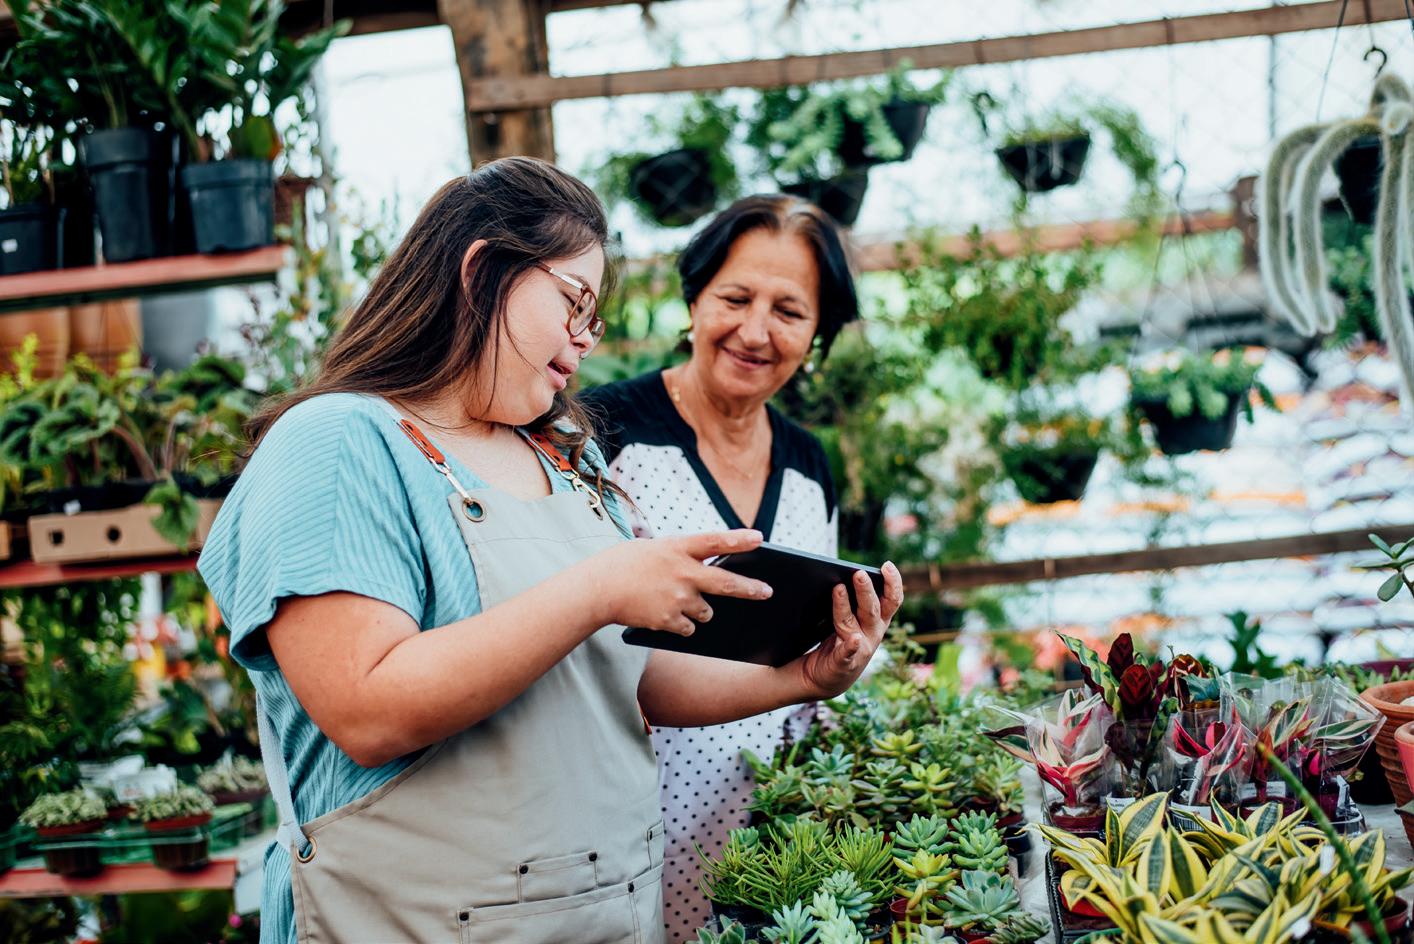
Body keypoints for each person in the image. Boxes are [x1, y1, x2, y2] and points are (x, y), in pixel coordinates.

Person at [197, 160, 903, 944]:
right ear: (480, 273)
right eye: (573, 302)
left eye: (593, 318)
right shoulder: (337, 440)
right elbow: (367, 709)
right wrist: (600, 587)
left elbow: (627, 676)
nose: (585, 338)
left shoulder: (566, 456)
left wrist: (802, 678)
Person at [582, 194, 866, 941]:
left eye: (789, 311)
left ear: (817, 335)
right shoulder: (603, 432)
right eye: (735, 299)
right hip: (621, 829)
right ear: (694, 300)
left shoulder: (809, 464)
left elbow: (813, 640)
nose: (755, 331)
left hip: (771, 838)